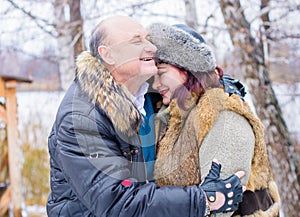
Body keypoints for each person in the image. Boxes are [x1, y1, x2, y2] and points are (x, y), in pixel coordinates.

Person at [46, 15, 245, 217]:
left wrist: (220, 86)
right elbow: (118, 203)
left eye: (147, 38)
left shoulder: (146, 90)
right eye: (136, 41)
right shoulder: (82, 118)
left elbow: (187, 70)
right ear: (109, 55)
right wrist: (203, 199)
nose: (151, 47)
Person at [148, 23, 280, 216]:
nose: (156, 83)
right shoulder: (171, 116)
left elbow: (220, 206)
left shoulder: (225, 117)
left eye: (162, 73)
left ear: (189, 67)